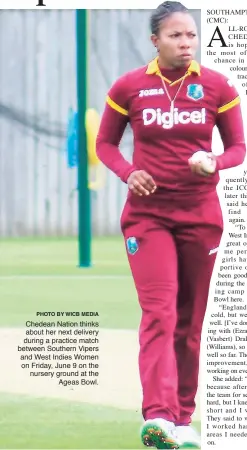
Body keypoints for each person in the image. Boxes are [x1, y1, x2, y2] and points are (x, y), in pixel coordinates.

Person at [96, 1, 246, 448]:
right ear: (155, 42)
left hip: (201, 217)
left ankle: (182, 419)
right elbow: (105, 143)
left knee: (189, 321)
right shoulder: (130, 87)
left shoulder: (217, 86)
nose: (186, 43)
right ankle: (157, 416)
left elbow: (238, 147)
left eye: (191, 35)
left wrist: (214, 161)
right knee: (159, 313)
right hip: (148, 217)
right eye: (176, 36)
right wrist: (128, 172)